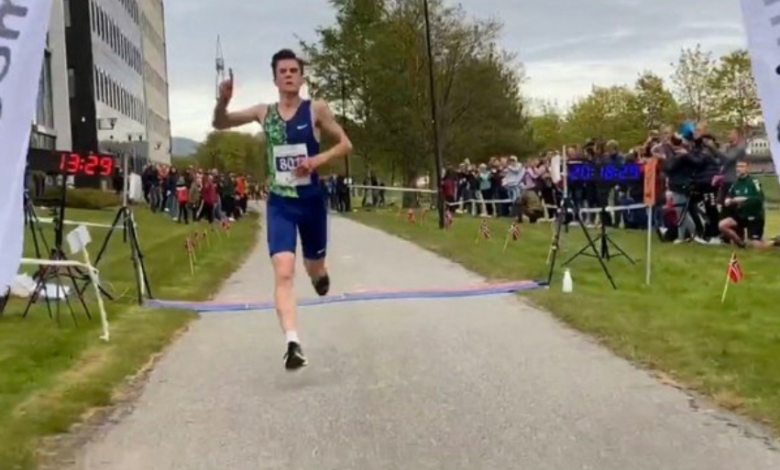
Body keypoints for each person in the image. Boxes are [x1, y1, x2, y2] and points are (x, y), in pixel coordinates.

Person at [212, 49, 352, 370]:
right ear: (274, 78)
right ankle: (292, 342)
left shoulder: (315, 109)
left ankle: (320, 275)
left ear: (302, 77)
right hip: (280, 205)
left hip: (312, 201)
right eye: (282, 71)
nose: (288, 75)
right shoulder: (264, 112)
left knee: (313, 267)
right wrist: (223, 101)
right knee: (284, 271)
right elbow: (221, 123)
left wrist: (316, 161)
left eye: (294, 70)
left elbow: (345, 144)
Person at [718, 159, 780, 249]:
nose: (739, 169)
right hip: (741, 215)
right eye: (738, 166)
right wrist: (728, 200)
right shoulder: (735, 183)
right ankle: (740, 243)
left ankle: (775, 242)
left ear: (747, 168)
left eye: (742, 166)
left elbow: (759, 199)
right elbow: (729, 196)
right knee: (722, 225)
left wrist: (745, 199)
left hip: (754, 215)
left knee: (756, 245)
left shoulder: (753, 182)